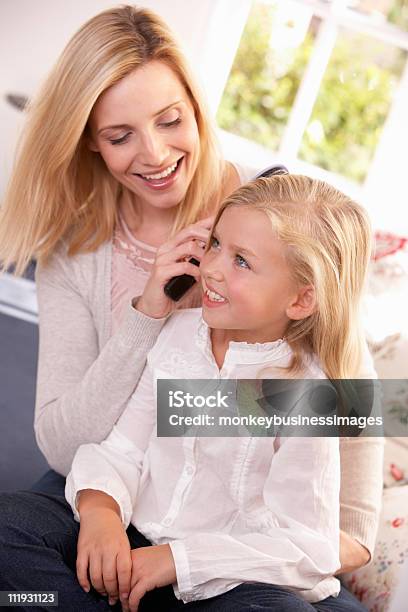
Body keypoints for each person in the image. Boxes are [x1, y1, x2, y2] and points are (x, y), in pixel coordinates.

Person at [0, 3, 382, 588]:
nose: (153, 155)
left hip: (241, 544)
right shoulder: (72, 254)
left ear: (198, 110)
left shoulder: (282, 216)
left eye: (169, 119)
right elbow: (64, 447)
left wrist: (190, 557)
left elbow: (350, 524)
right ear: (89, 145)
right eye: (120, 135)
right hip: (110, 496)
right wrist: (147, 315)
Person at [63, 173, 373, 611]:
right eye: (214, 245)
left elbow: (308, 545)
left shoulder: (309, 391)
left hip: (231, 582)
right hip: (138, 539)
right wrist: (100, 513)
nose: (210, 268)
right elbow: (122, 450)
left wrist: (178, 560)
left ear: (302, 300)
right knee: (12, 530)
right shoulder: (176, 337)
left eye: (241, 261)